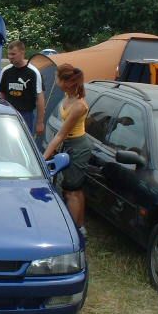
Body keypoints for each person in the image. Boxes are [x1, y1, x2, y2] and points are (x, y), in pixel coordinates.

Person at [43, 64, 91, 239]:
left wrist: (42, 158)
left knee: (72, 190)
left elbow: (61, 135)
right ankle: (79, 227)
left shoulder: (79, 106)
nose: (55, 80)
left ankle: (73, 231)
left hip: (78, 147)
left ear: (67, 82)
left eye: (57, 77)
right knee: (73, 189)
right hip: (69, 145)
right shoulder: (68, 96)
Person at [0, 40, 45, 137]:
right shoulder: (6, 71)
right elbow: (1, 94)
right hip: (8, 113)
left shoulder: (33, 72)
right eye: (9, 54)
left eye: (13, 54)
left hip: (26, 115)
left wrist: (40, 123)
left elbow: (39, 99)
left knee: (24, 141)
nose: (10, 57)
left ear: (22, 52)